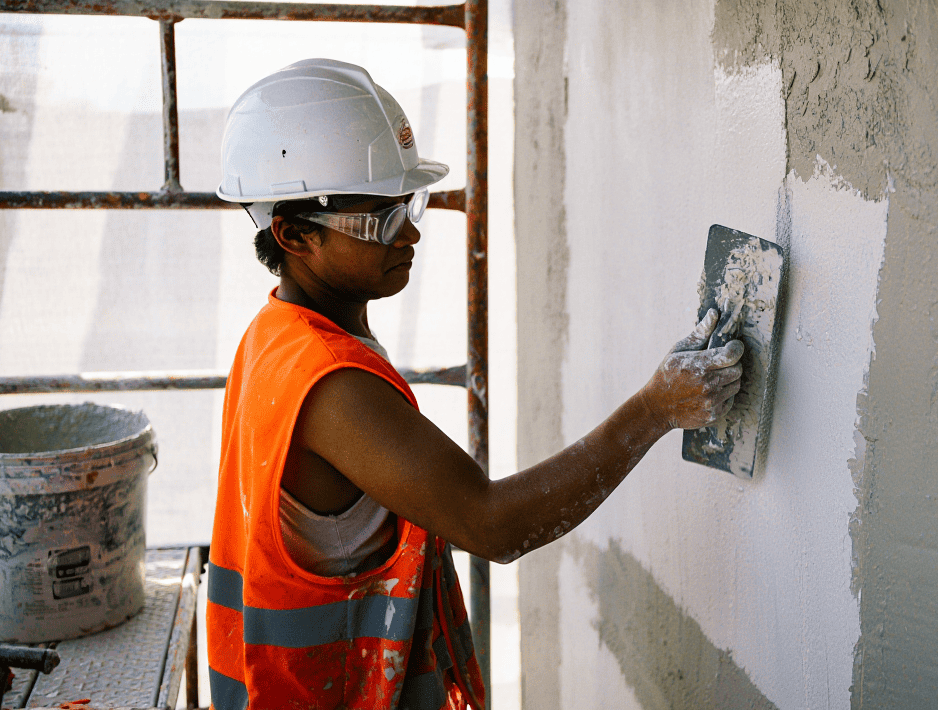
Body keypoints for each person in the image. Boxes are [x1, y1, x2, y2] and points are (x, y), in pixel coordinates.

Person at [206, 59, 743, 710]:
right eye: (379, 219)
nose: (412, 231)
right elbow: (493, 527)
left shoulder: (275, 334)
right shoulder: (333, 386)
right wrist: (656, 410)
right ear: (294, 234)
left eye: (410, 204)